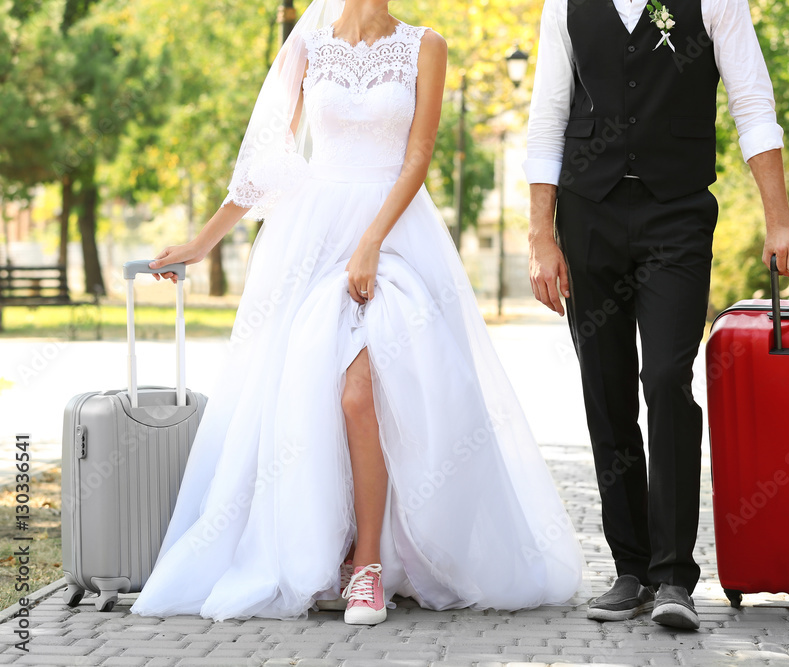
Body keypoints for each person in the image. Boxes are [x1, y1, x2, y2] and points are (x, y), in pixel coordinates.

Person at [129, 0, 584, 625]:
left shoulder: (426, 46)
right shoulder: (306, 48)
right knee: (313, 393)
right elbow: (266, 159)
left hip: (396, 236)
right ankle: (330, 547)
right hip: (312, 238)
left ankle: (368, 564)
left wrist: (370, 242)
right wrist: (202, 243)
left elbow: (417, 159)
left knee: (361, 392)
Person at [523, 0, 789, 629]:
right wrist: (540, 237)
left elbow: (753, 102)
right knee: (605, 388)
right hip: (587, 213)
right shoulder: (564, 6)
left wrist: (779, 219)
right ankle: (630, 570)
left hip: (675, 216)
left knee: (664, 380)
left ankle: (673, 575)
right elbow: (547, 116)